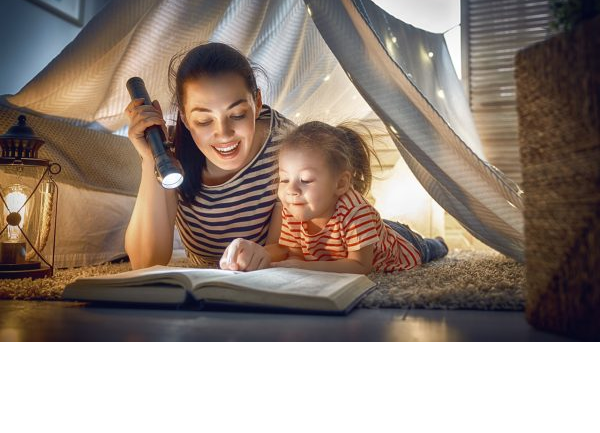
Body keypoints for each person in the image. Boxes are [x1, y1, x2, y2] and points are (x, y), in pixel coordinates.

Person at [124, 42, 293, 270]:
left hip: (262, 276)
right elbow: (146, 262)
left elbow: (288, 249)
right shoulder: (171, 154)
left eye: (237, 114)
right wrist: (150, 159)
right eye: (204, 120)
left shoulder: (286, 144)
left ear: (257, 102)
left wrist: (263, 255)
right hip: (202, 284)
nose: (224, 134)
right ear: (184, 118)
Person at [222, 121, 448, 274]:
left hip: (401, 242)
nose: (291, 190)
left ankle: (438, 241)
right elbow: (294, 254)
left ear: (340, 183)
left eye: (306, 180)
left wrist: (304, 268)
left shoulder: (356, 213)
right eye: (284, 179)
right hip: (368, 233)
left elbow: (360, 266)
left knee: (430, 249)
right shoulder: (293, 207)